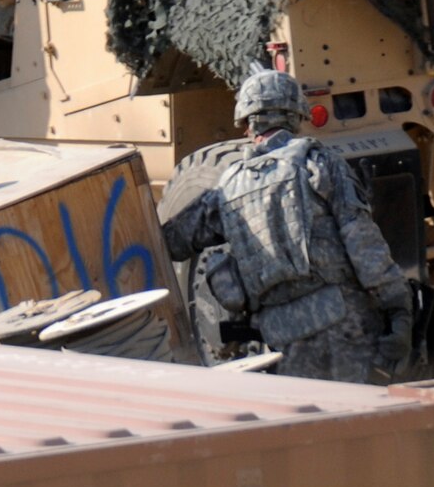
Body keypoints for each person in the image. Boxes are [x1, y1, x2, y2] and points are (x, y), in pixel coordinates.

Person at [161, 64, 414, 382]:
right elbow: (364, 246)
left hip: (283, 339)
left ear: (247, 124)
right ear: (295, 116)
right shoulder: (319, 164)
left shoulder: (225, 190)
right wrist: (398, 306)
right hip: (346, 326)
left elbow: (171, 241)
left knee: (310, 423)